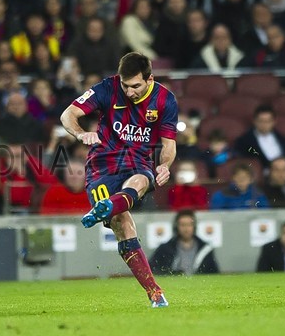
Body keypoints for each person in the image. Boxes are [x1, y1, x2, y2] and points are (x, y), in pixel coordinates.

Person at [60, 52, 178, 307]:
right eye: (125, 85)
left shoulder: (165, 100)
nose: (129, 91)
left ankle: (156, 294)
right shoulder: (107, 88)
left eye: (135, 85)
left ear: (150, 79)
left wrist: (165, 165)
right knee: (122, 224)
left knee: (142, 180)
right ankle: (110, 208)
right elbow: (68, 114)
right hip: (101, 165)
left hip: (137, 161)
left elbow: (169, 144)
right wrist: (81, 135)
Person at [149, 210, 220, 275]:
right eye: (182, 225)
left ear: (194, 226)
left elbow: (214, 272)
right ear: (177, 227)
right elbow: (153, 269)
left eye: (189, 225)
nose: (186, 229)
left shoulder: (205, 249)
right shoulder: (165, 248)